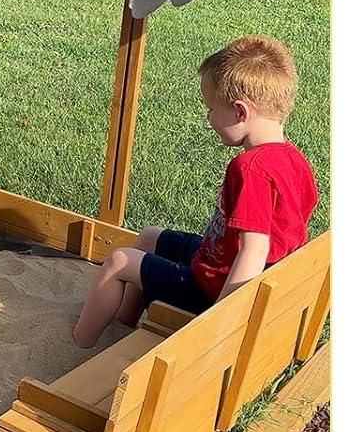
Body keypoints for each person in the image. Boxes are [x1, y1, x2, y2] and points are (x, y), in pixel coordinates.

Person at [72, 37, 318, 349]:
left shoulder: (251, 169)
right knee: (149, 237)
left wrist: (221, 319)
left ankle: (78, 342)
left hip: (214, 287)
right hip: (219, 259)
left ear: (241, 112)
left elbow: (254, 250)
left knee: (120, 260)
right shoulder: (295, 161)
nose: (209, 119)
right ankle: (122, 323)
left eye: (212, 109)